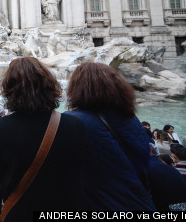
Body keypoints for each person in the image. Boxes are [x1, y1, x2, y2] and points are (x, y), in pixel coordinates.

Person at [0, 57, 86, 219]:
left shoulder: (2, 127)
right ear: (49, 85)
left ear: (10, 89)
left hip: (20, 212)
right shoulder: (74, 125)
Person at [65, 62, 155, 210]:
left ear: (77, 88)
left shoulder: (74, 121)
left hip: (101, 203)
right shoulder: (132, 120)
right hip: (139, 201)